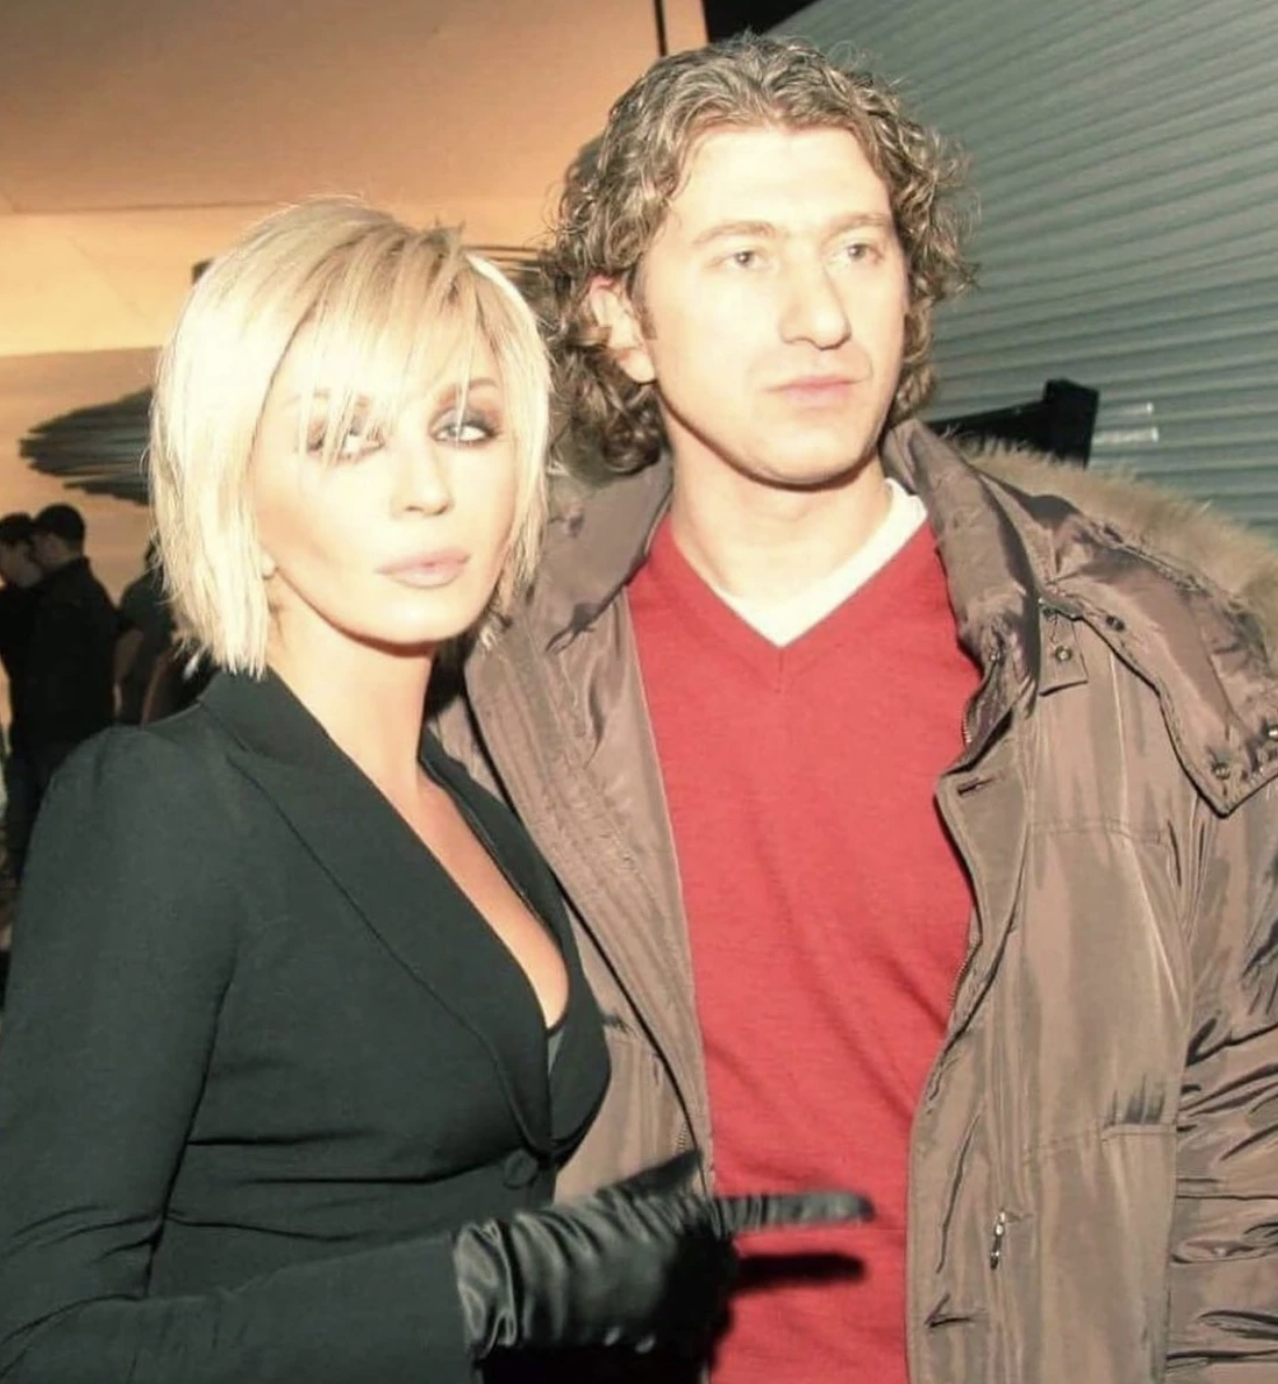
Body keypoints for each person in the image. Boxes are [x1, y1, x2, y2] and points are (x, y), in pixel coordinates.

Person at [433, 33, 1278, 1384]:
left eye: (858, 249)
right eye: (744, 256)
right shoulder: (495, 690)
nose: (820, 314)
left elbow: (1246, 1124)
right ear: (620, 322)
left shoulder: (1132, 658)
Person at [0, 199, 868, 1384]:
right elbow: (45, 1344)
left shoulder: (473, 798)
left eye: (465, 425)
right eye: (344, 438)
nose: (426, 486)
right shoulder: (163, 807)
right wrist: (491, 1284)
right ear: (236, 493)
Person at [21, 501, 118, 798]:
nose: (33, 554)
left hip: (64, 734)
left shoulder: (63, 597)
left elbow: (53, 670)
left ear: (52, 541)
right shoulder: (90, 592)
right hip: (87, 727)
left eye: (36, 544)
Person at [0, 514, 42, 885]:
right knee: (21, 822)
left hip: (54, 733)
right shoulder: (9, 601)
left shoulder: (57, 596)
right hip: (27, 732)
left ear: (19, 549)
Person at [114, 537, 177, 724]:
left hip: (145, 695)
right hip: (148, 695)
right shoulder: (148, 594)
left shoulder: (144, 592)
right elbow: (130, 642)